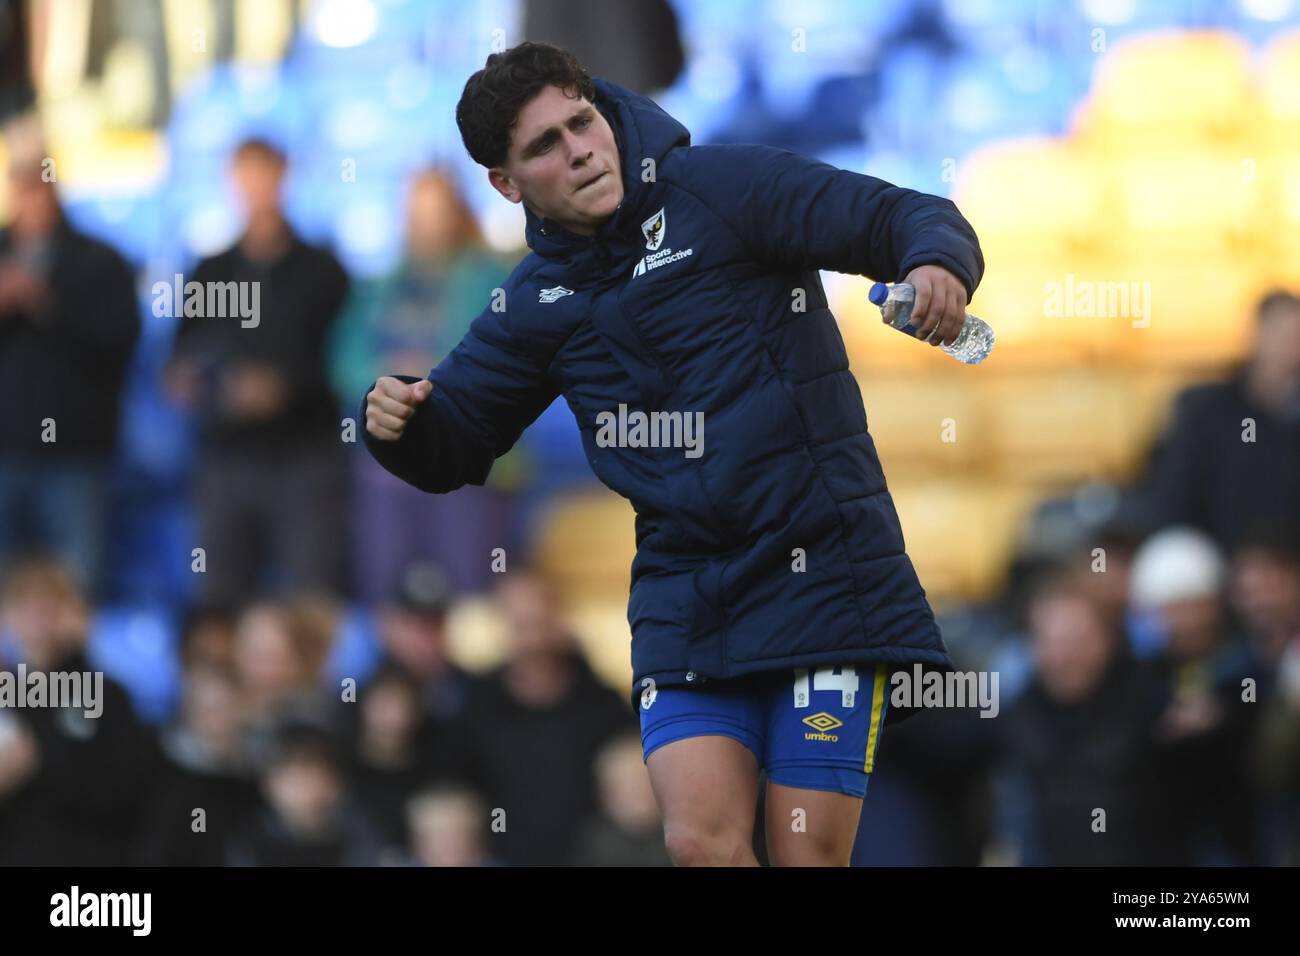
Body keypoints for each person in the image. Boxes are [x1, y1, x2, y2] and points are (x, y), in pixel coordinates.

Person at [361, 42, 984, 866]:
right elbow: (453, 442)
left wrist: (937, 264)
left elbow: (899, 215)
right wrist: (394, 423)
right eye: (544, 145)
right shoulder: (533, 302)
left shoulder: (726, 189)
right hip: (686, 595)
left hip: (825, 574)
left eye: (581, 122)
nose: (579, 149)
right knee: (700, 847)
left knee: (807, 857)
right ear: (507, 185)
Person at [166, 137, 350, 605]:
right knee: (221, 603)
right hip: (227, 458)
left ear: (284, 176)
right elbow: (180, 356)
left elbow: (348, 361)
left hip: (305, 459)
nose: (255, 186)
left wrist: (284, 388)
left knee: (312, 601)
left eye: (264, 173)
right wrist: (187, 382)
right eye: (245, 175)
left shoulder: (323, 270)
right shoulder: (210, 270)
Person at [0, 150, 140, 601]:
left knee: (78, 588)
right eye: (22, 189)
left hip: (75, 454)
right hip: (5, 451)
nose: (32, 200)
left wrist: (46, 304)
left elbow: (120, 340)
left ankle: (70, 675)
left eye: (38, 188)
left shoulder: (99, 260)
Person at [1142, 290, 1300, 555]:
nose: (1290, 348)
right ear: (1258, 336)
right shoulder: (1205, 411)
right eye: (1283, 336)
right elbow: (1174, 498)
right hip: (1216, 562)